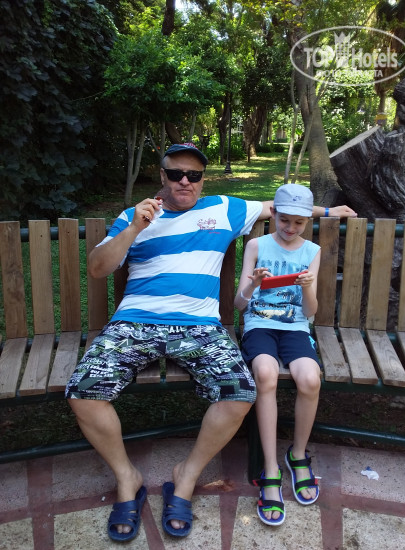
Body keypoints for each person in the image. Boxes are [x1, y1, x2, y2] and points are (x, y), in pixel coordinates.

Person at [65, 143, 356, 542]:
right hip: (134, 322)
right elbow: (98, 268)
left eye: (194, 175)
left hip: (200, 326)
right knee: (83, 391)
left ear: (203, 180)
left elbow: (278, 207)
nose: (185, 181)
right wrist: (134, 228)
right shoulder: (135, 216)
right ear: (162, 175)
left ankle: (186, 477)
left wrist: (330, 211)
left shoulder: (224, 208)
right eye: (176, 173)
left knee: (240, 393)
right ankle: (126, 477)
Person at [234, 183, 322, 527]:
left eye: (299, 223)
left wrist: (308, 288)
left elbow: (310, 312)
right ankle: (270, 468)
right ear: (273, 214)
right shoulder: (256, 245)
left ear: (307, 221)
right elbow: (239, 304)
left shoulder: (312, 250)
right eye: (284, 220)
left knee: (310, 379)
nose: (290, 228)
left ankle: (297, 455)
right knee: (265, 373)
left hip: (295, 328)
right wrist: (254, 284)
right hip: (259, 325)